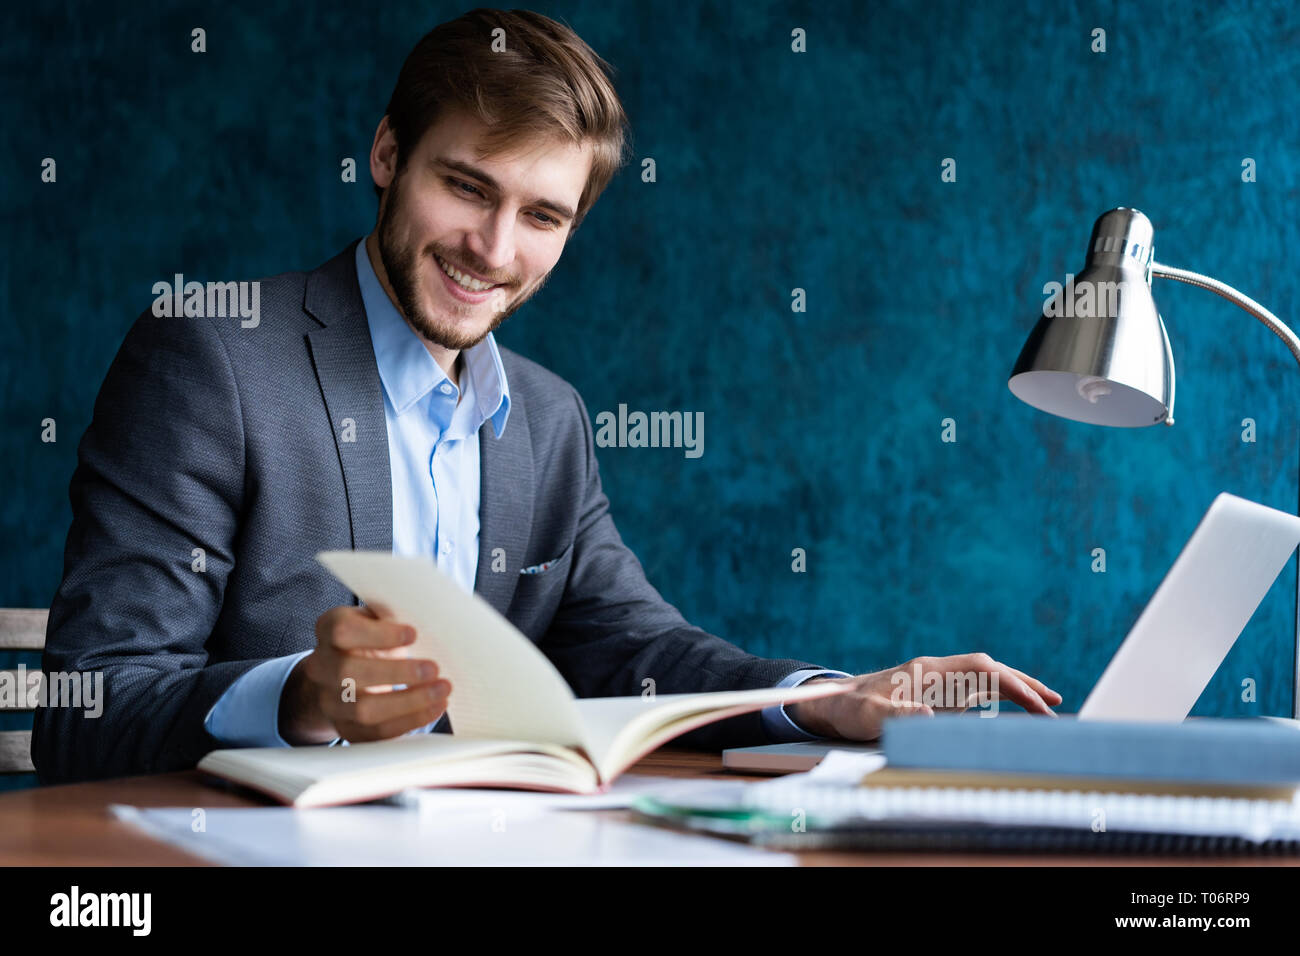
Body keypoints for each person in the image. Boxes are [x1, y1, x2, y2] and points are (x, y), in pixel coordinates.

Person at [33, 8, 1058, 784]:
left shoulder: (551, 417)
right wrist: (297, 696)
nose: (494, 250)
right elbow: (89, 711)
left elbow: (639, 649)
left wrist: (826, 700)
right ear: (387, 154)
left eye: (542, 216)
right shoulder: (212, 357)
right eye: (468, 187)